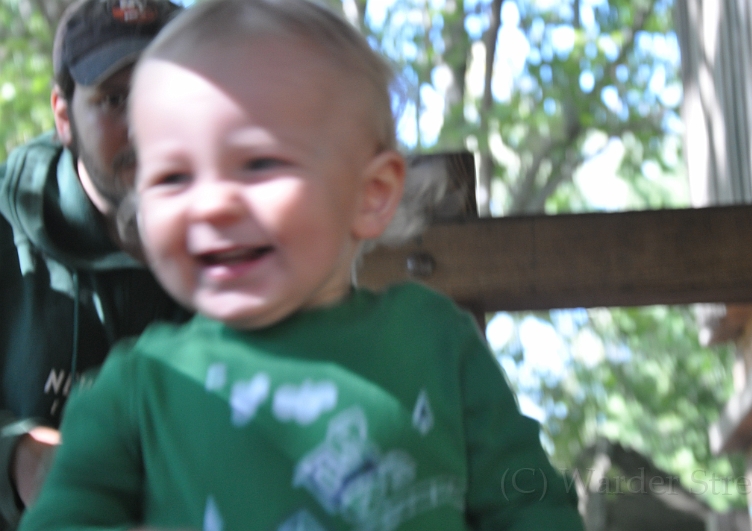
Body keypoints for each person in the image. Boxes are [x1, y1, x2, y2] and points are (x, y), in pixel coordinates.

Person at [20, 0, 585, 530]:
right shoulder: (133, 391)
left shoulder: (435, 344)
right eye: (172, 176)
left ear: (371, 193)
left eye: (258, 163)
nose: (211, 204)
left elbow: (533, 505)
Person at [0, 0, 186, 527]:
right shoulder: (7, 229)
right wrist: (17, 457)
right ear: (64, 117)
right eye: (115, 99)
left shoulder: (239, 240)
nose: (144, 127)